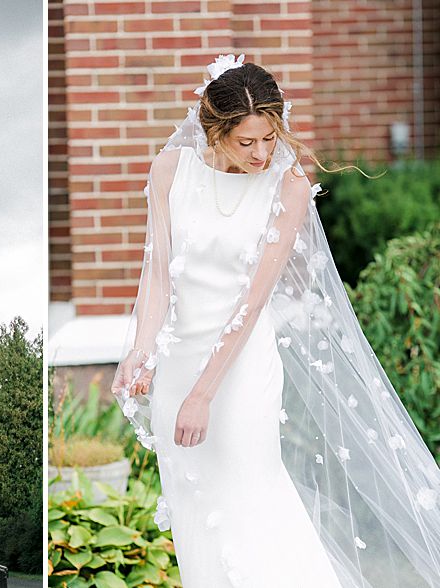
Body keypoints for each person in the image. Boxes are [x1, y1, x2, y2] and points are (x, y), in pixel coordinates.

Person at [112, 55, 440, 586]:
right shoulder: (168, 172)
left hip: (240, 371)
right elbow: (158, 274)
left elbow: (252, 301)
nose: (263, 153)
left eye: (269, 138)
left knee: (252, 499)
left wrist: (204, 394)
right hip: (177, 368)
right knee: (197, 511)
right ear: (214, 131)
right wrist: (142, 350)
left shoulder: (285, 187)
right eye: (247, 143)